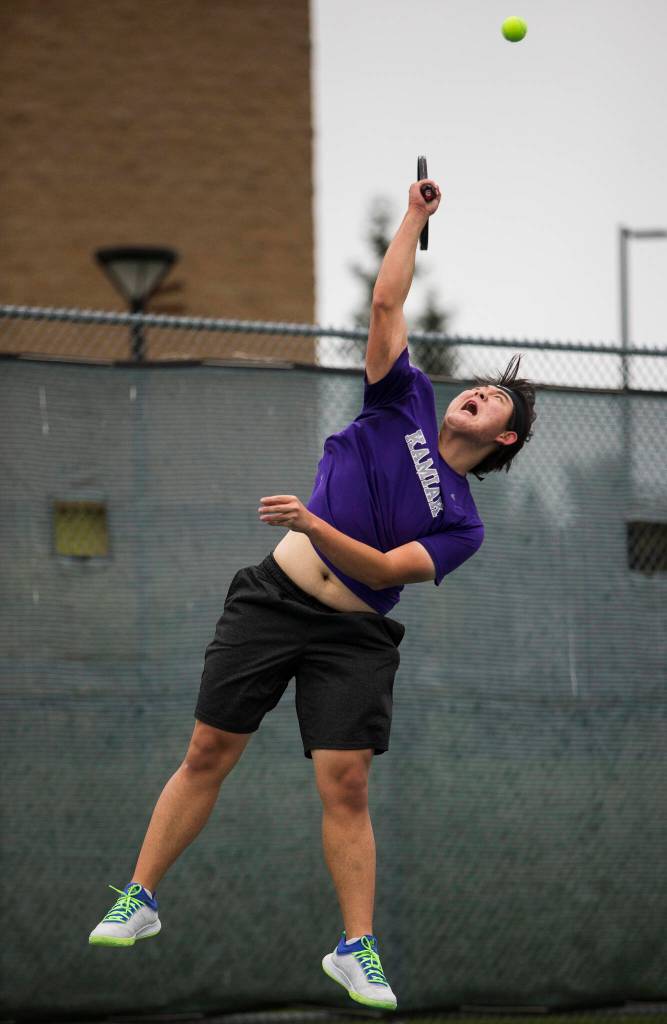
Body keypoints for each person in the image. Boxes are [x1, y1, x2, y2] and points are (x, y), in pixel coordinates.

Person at [89, 177, 536, 1012]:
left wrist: (308, 519)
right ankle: (139, 898)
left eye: (497, 402)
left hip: (353, 637)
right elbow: (384, 304)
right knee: (208, 753)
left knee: (346, 784)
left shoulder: (464, 526)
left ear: (502, 437)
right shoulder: (401, 399)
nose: (478, 392)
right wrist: (415, 216)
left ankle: (354, 948)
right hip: (270, 601)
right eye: (479, 385)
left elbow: (378, 570)